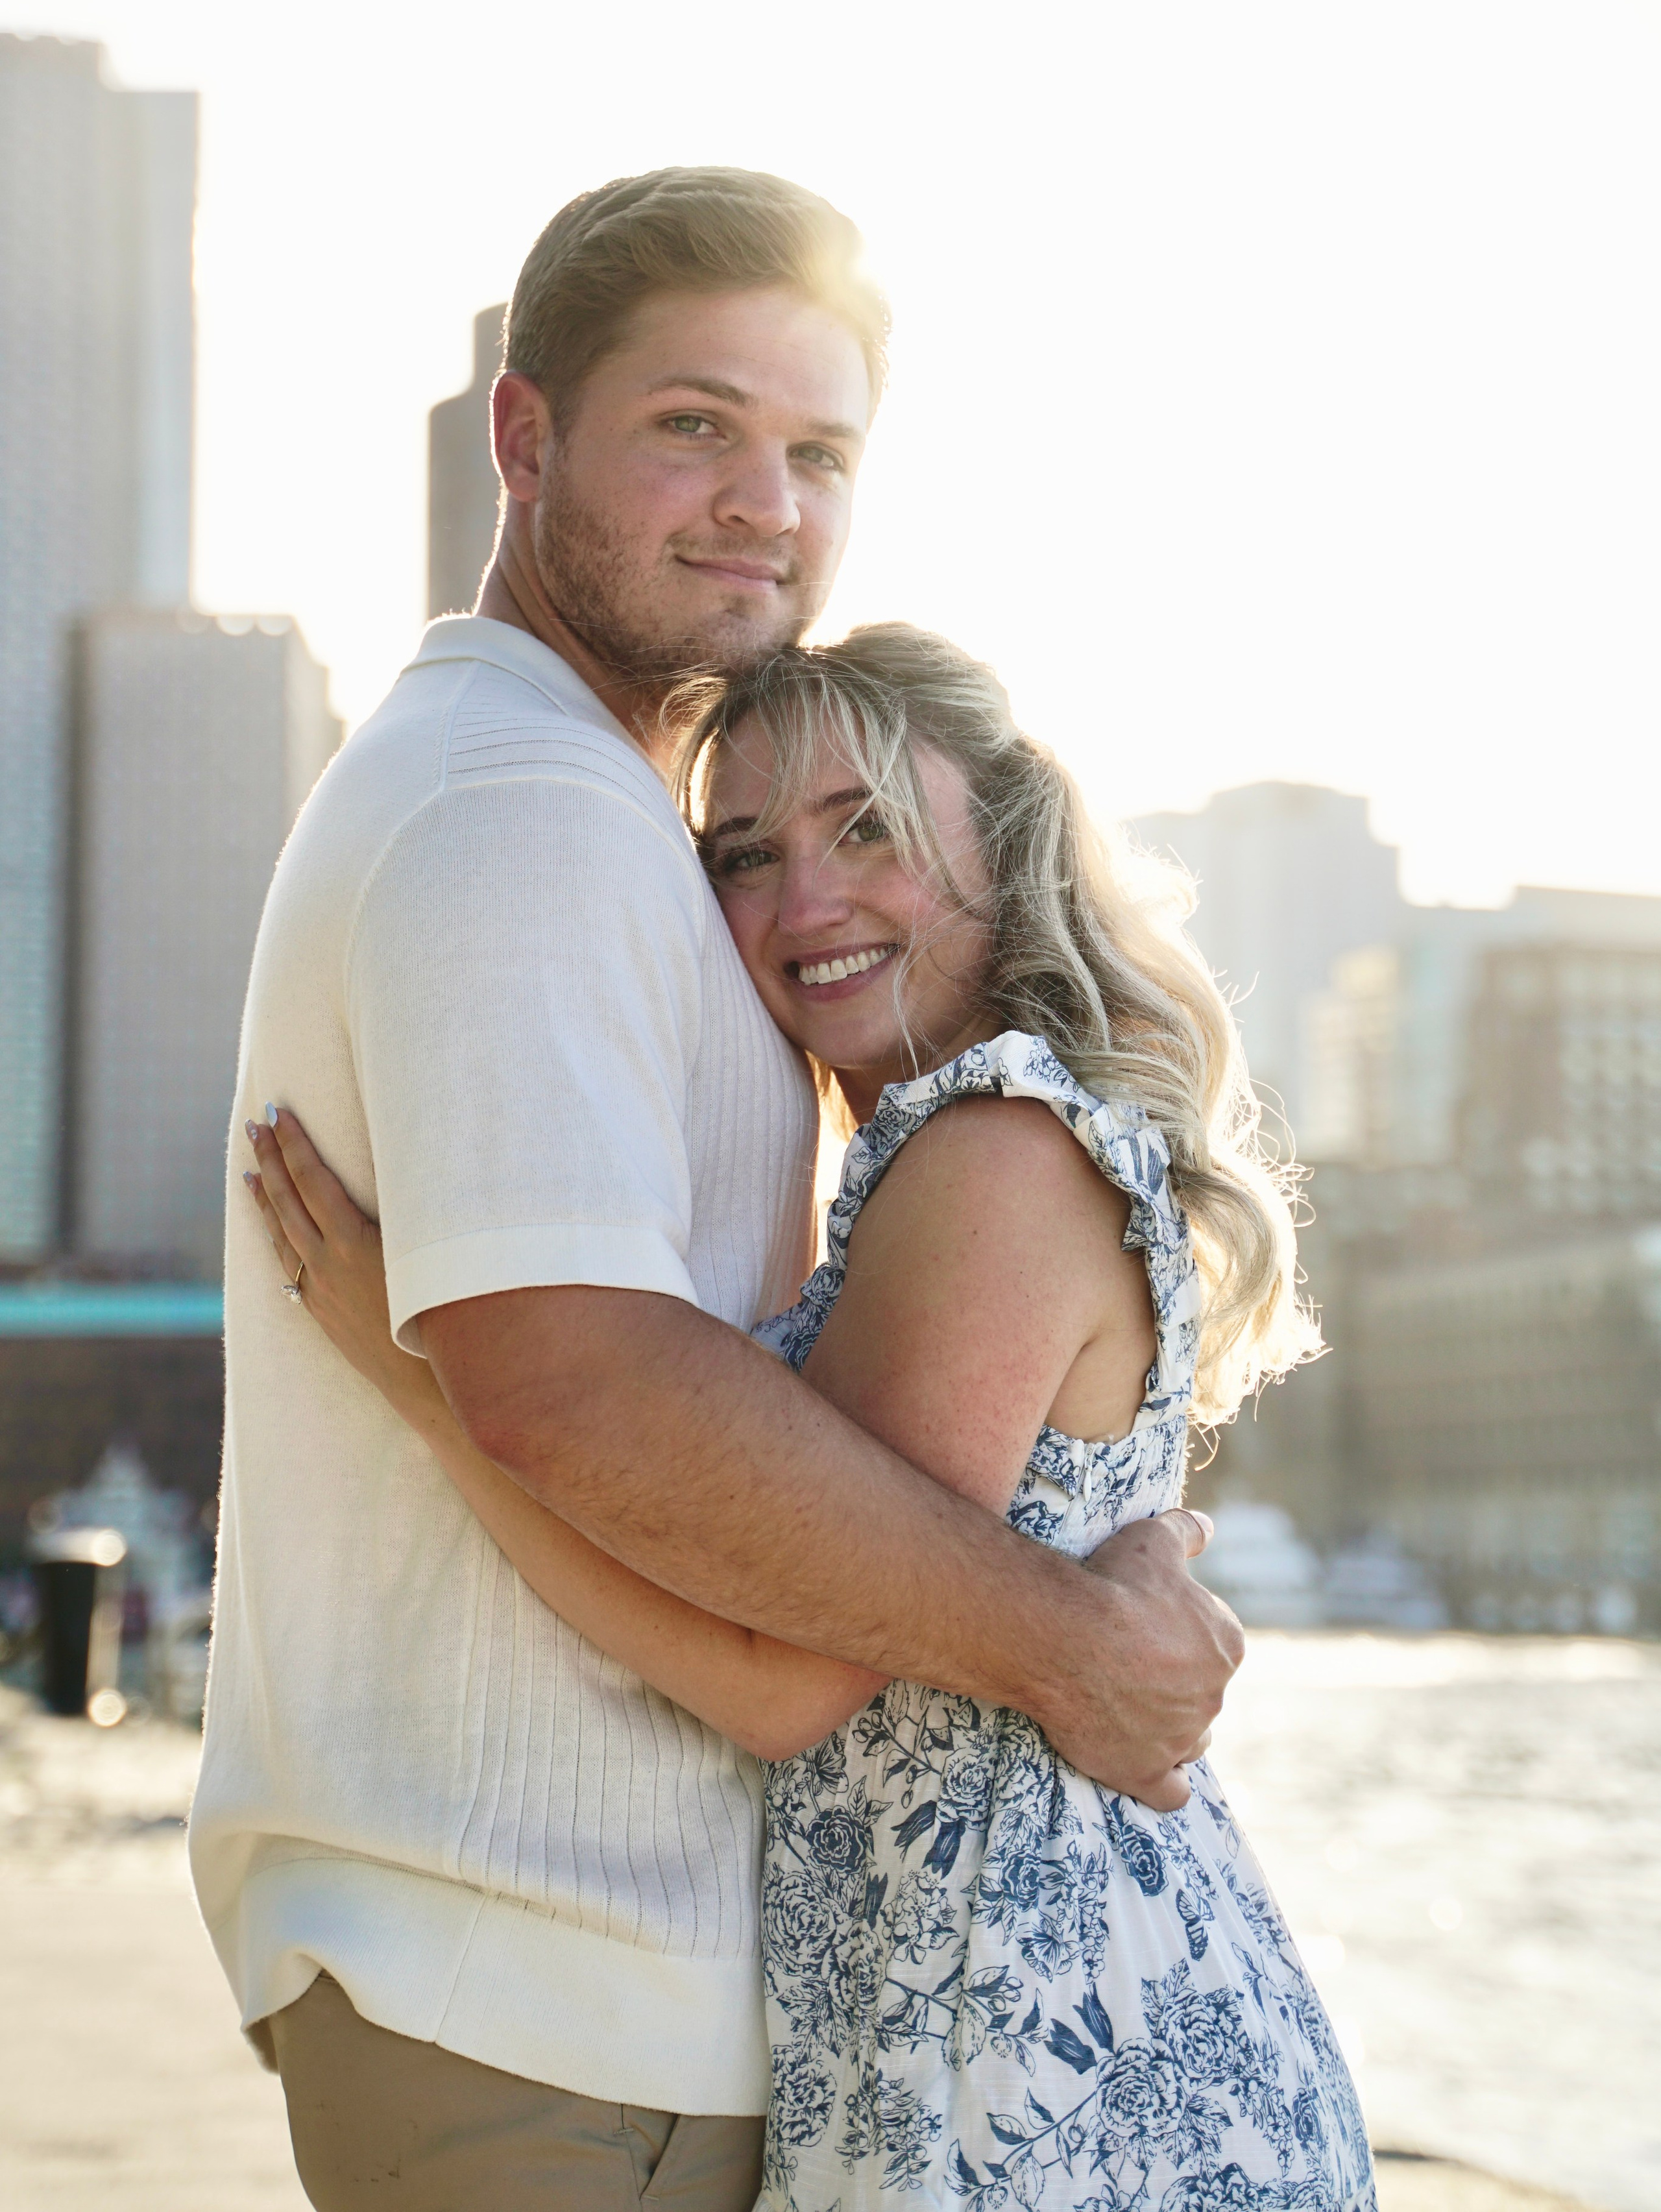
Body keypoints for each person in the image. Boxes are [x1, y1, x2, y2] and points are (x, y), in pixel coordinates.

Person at [191, 167, 1245, 2211]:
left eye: (818, 450)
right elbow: (572, 1381)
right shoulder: (529, 808)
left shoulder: (962, 1125)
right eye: (694, 423)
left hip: (778, 2019)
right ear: (523, 437)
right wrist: (1068, 1636)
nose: (767, 497)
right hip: (554, 1997)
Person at [246, 624, 1375, 2211]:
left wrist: (427, 1387)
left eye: (868, 829)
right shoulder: (945, 1152)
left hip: (1037, 2057)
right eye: (744, 853)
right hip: (966, 2021)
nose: (804, 902)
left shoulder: (988, 1154)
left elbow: (783, 1684)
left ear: (1002, 836)